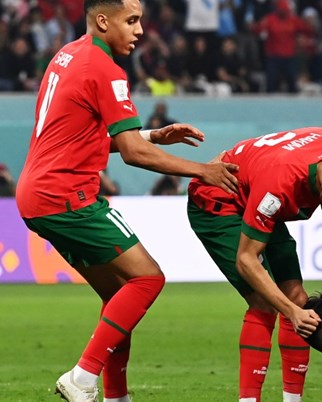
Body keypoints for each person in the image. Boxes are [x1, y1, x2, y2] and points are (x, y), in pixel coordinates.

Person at [15, 1, 239, 402]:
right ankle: (82, 378)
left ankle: (117, 397)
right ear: (104, 20)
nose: (139, 31)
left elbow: (82, 139)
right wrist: (202, 171)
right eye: (131, 21)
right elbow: (133, 154)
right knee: (148, 278)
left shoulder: (67, 55)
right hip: (67, 195)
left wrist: (151, 136)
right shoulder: (105, 69)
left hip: (37, 194)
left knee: (117, 296)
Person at [186, 127, 322, 402]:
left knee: (298, 298)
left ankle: (292, 400)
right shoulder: (279, 185)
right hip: (219, 201)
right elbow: (246, 260)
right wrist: (291, 312)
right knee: (267, 303)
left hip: (254, 192)